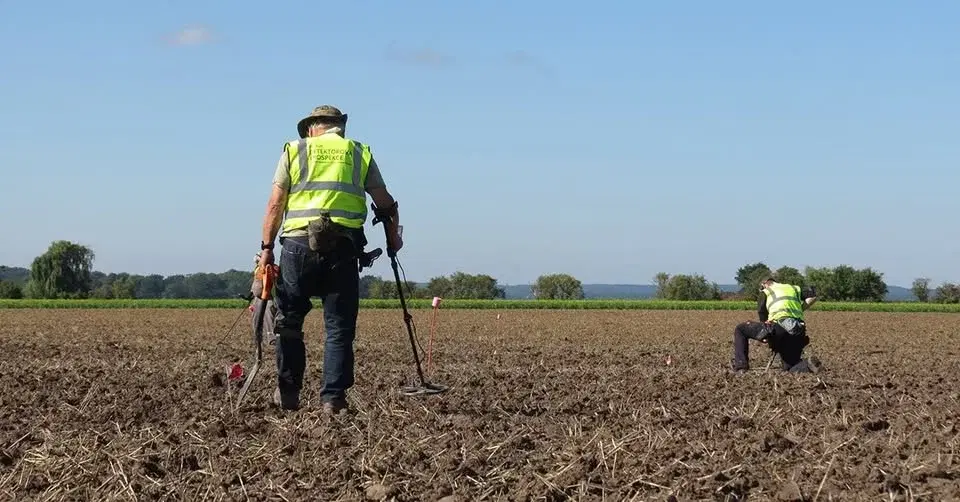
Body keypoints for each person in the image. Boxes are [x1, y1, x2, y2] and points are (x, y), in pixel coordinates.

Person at [258, 105, 403, 414]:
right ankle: (333, 401)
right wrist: (394, 237)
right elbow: (385, 202)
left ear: (312, 128)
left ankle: (288, 394)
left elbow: (275, 205)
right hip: (343, 247)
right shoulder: (358, 153)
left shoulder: (295, 150)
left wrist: (266, 248)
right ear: (340, 127)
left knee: (289, 321)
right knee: (339, 327)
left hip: (297, 246)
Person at [731, 277, 822, 373]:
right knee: (789, 367)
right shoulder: (794, 288)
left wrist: (765, 337)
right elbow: (813, 297)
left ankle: (741, 366)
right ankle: (808, 365)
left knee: (740, 329)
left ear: (764, 284)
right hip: (798, 331)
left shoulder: (766, 292)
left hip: (779, 327)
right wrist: (800, 309)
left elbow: (763, 316)